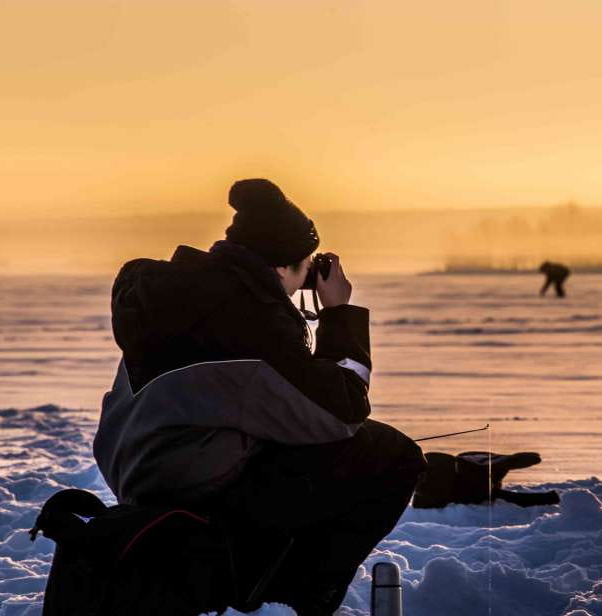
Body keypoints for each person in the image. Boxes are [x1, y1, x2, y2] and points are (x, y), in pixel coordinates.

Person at [92, 178, 425, 614]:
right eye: (306, 264)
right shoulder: (251, 318)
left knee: (295, 438)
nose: (307, 275)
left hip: (141, 475)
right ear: (283, 266)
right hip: (196, 490)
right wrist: (340, 314)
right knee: (392, 455)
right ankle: (289, 600)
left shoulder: (183, 293)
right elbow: (341, 412)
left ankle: (261, 578)